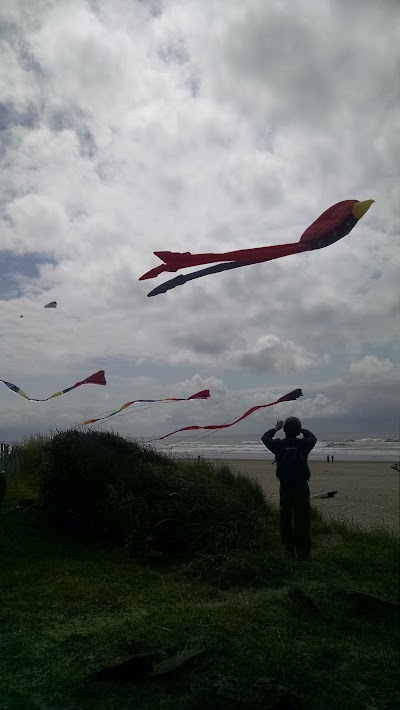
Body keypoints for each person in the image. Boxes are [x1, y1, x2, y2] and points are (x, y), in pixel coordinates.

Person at [261, 417, 317, 560]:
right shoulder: (304, 444)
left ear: (284, 430)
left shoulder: (279, 445)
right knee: (302, 518)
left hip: (285, 485)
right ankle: (303, 551)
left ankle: (288, 549)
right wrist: (301, 430)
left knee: (285, 517)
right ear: (298, 430)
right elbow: (312, 437)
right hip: (301, 484)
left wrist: (276, 429)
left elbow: (265, 438)